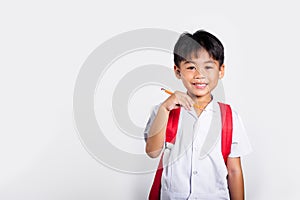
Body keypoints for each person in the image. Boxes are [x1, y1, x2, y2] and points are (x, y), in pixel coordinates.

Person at [144, 30, 252, 200]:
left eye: (208, 67)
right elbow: (152, 151)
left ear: (221, 71)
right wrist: (165, 109)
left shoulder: (230, 117)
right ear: (178, 71)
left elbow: (234, 170)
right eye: (191, 67)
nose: (200, 75)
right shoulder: (164, 110)